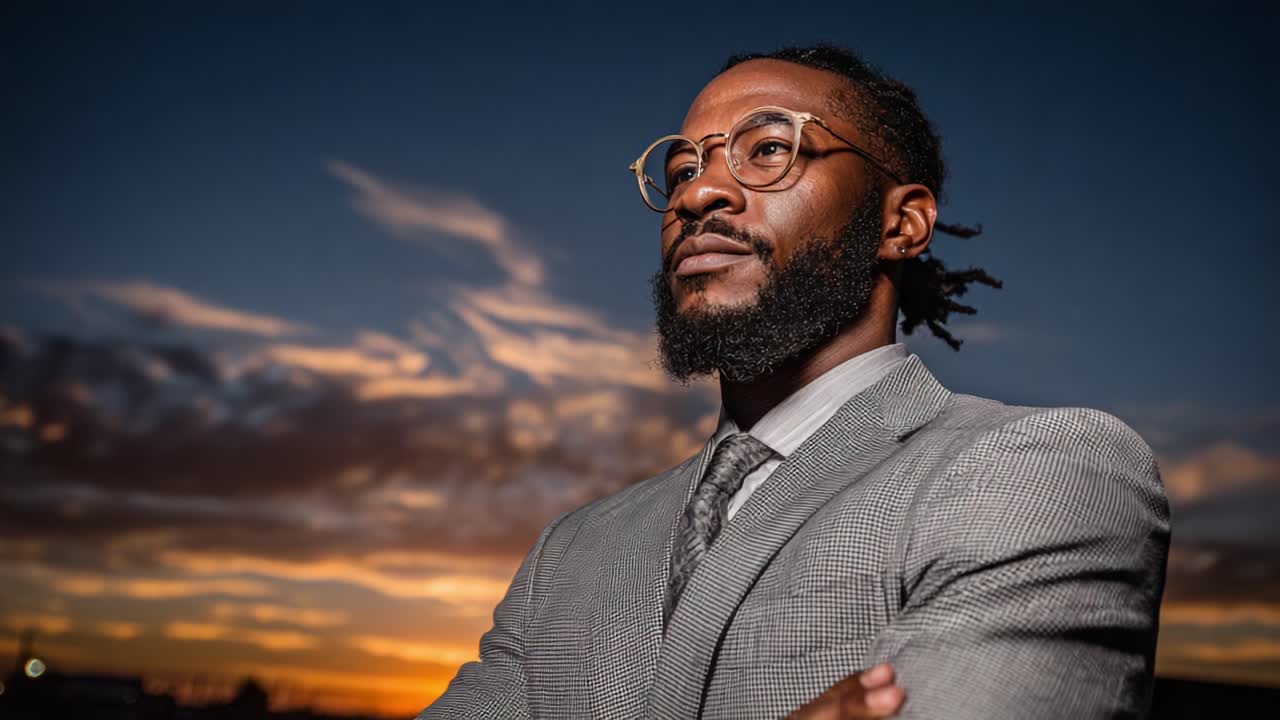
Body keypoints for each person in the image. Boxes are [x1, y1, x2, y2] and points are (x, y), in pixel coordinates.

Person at [420, 44, 1170, 719]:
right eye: (683, 169)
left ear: (900, 223)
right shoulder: (572, 549)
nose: (696, 195)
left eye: (769, 149)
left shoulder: (1040, 469)